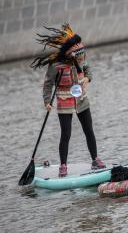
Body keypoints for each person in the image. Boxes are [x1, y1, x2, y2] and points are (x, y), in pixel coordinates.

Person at [31, 23, 106, 177]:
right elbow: (48, 84)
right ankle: (63, 166)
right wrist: (47, 101)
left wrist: (87, 78)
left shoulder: (80, 59)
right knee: (66, 134)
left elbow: (88, 69)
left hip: (81, 100)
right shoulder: (56, 65)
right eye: (79, 55)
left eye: (82, 54)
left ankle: (95, 159)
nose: (82, 57)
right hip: (64, 102)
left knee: (89, 130)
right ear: (71, 54)